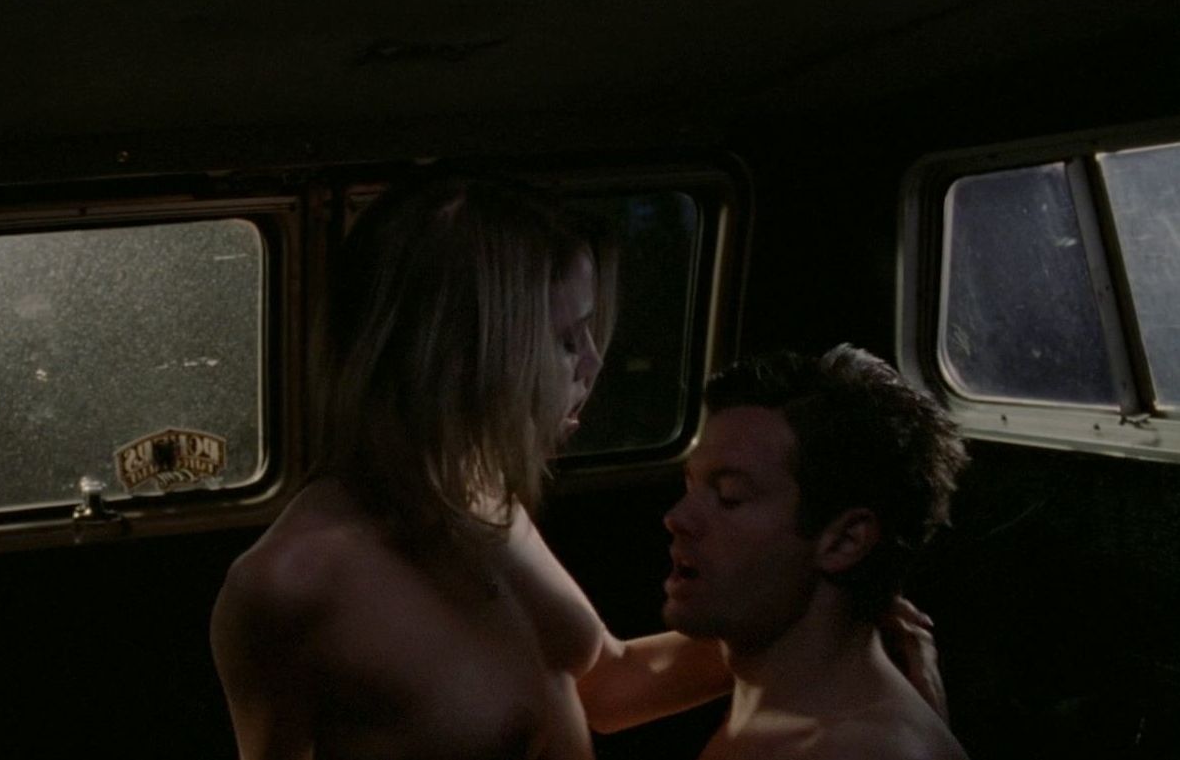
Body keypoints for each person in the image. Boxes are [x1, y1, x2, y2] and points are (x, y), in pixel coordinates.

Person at [210, 173, 697, 760]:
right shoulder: (291, 584)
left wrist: (787, 617)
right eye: (566, 340)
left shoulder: (480, 494)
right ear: (472, 354)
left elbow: (606, 687)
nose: (592, 363)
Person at [655, 345, 969, 759]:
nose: (677, 517)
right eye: (691, 486)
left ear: (845, 541)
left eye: (729, 497)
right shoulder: (784, 703)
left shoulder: (857, 749)